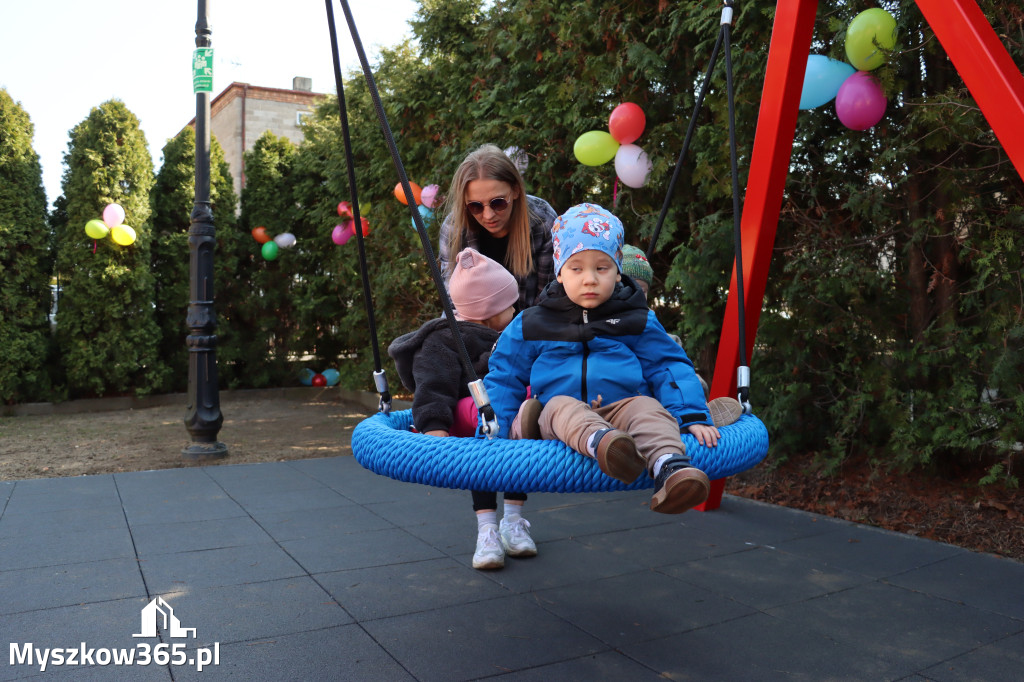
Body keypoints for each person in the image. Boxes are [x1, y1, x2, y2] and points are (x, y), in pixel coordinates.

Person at [483, 204, 737, 514]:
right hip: (560, 416)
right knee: (559, 407)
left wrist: (691, 415)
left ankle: (670, 468)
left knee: (647, 408)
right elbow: (504, 378)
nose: (589, 279)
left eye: (601, 268)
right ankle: (607, 445)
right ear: (560, 273)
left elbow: (668, 365)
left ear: (618, 272)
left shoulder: (635, 317)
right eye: (577, 268)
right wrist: (493, 428)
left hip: (622, 407)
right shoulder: (533, 322)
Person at [388, 248, 536, 570]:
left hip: (506, 415)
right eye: (509, 305)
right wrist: (434, 430)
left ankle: (513, 520)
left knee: (518, 443)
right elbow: (433, 385)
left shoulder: (510, 335)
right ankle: (487, 529)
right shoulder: (446, 339)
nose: (515, 310)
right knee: (487, 432)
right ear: (487, 311)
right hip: (469, 416)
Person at [439, 144, 558, 312]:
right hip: (473, 329)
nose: (488, 215)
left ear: (516, 190)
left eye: (498, 202)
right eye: (475, 206)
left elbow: (548, 298)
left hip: (530, 328)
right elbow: (453, 302)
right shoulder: (453, 229)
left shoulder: (543, 221)